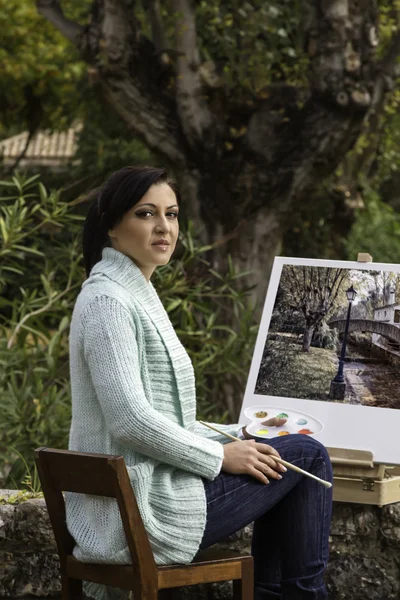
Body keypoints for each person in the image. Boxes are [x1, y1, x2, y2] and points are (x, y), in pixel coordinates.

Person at [66, 166, 333, 600]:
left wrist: (236, 435)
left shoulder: (129, 292)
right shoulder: (108, 301)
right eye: (146, 214)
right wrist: (220, 455)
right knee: (309, 457)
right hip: (138, 513)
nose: (163, 227)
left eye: (171, 215)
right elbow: (130, 422)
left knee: (282, 448)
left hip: (141, 493)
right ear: (112, 227)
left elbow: (160, 416)